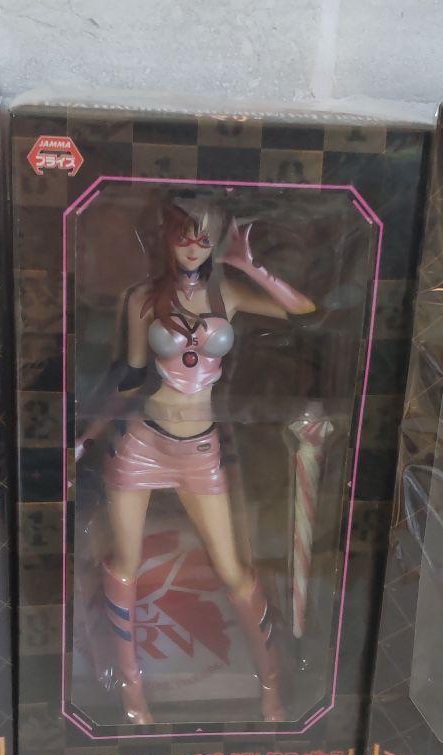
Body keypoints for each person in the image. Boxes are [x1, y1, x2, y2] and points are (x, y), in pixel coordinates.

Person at [98, 194, 315, 725]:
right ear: (166, 239)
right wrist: (87, 431)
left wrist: (252, 266)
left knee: (235, 572)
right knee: (124, 567)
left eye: (204, 238)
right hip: (143, 442)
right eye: (184, 236)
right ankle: (131, 694)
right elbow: (130, 373)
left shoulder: (227, 293)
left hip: (200, 449)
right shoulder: (143, 297)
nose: (194, 248)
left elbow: (303, 312)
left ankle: (271, 684)